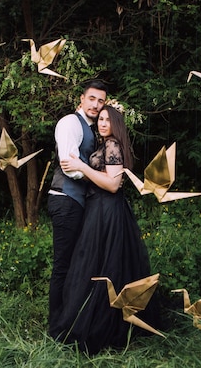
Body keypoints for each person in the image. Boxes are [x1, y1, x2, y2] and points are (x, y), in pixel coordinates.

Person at [50, 104, 160, 354]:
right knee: (94, 264)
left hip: (108, 210)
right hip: (97, 208)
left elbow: (113, 184)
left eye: (108, 120)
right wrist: (83, 168)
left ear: (116, 125)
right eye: (100, 119)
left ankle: (103, 326)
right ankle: (90, 319)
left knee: (103, 265)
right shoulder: (105, 145)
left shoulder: (113, 146)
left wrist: (82, 166)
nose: (102, 123)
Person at [47, 80, 107, 337]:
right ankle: (55, 327)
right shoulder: (70, 123)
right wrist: (100, 178)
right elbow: (70, 166)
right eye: (91, 99)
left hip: (79, 202)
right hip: (65, 200)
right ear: (81, 100)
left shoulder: (94, 129)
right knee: (63, 265)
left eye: (101, 100)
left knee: (76, 263)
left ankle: (69, 319)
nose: (95, 104)